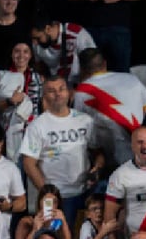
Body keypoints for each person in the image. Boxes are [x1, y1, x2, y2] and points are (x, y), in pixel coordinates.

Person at [19, 75, 101, 223]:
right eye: (51, 90)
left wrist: (98, 166)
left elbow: (97, 151)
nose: (57, 93)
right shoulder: (37, 126)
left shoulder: (86, 121)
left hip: (86, 192)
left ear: (69, 92)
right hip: (58, 197)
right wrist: (48, 193)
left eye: (61, 89)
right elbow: (28, 164)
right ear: (44, 96)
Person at [73, 48, 146, 166]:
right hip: (145, 148)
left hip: (113, 157)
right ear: (104, 63)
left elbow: (78, 127)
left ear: (82, 69)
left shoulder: (82, 92)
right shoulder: (131, 78)